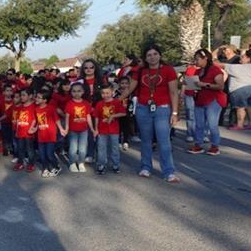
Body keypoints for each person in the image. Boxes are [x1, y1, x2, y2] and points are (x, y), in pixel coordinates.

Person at [124, 46, 180, 182]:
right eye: (149, 55)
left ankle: (168, 171)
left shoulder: (168, 70)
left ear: (160, 55)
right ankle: (146, 167)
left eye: (155, 54)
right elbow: (130, 88)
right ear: (145, 58)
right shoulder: (140, 71)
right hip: (143, 108)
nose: (152, 57)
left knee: (163, 140)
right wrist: (117, 100)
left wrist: (174, 112)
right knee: (146, 140)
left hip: (162, 108)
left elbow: (173, 92)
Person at [187, 49, 226, 156]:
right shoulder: (198, 71)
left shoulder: (215, 70)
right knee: (199, 124)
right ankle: (198, 145)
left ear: (206, 58)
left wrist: (204, 84)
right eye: (195, 59)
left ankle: (215, 146)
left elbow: (220, 86)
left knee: (212, 125)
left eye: (197, 59)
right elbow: (195, 85)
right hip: (200, 100)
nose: (196, 61)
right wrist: (191, 85)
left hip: (213, 101)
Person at [220, 46, 251, 130]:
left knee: (240, 107)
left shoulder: (238, 67)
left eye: (243, 57)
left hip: (239, 90)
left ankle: (240, 124)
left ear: (248, 59)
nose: (241, 57)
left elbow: (221, 65)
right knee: (249, 106)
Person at [30, 89, 64, 177]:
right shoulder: (36, 109)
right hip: (41, 136)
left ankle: (56, 166)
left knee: (49, 154)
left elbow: (57, 120)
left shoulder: (51, 108)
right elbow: (38, 121)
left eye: (39, 98)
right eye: (36, 97)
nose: (36, 99)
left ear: (45, 100)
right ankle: (45, 168)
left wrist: (61, 129)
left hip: (50, 135)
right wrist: (34, 129)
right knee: (42, 155)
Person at [94, 83, 126, 174]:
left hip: (114, 130)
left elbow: (123, 113)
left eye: (107, 93)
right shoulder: (99, 104)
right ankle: (101, 164)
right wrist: (96, 129)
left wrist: (113, 116)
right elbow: (96, 117)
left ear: (112, 92)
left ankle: (115, 164)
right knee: (101, 148)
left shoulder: (116, 102)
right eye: (103, 93)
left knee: (114, 148)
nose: (105, 95)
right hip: (102, 129)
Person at [63, 83, 93, 172]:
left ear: (83, 92)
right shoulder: (69, 104)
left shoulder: (86, 103)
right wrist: (66, 128)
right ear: (71, 93)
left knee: (83, 148)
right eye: (74, 91)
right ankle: (72, 163)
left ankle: (81, 162)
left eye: (79, 91)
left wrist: (92, 128)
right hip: (72, 130)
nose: (76, 93)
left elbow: (88, 116)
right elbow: (67, 117)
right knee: (73, 148)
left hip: (84, 130)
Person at [13, 89, 36, 173]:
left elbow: (35, 119)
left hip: (28, 133)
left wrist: (32, 128)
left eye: (23, 95)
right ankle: (20, 163)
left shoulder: (33, 106)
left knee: (30, 150)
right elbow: (19, 119)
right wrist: (16, 131)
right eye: (21, 95)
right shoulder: (21, 107)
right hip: (20, 132)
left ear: (30, 96)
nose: (21, 97)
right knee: (20, 148)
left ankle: (31, 164)